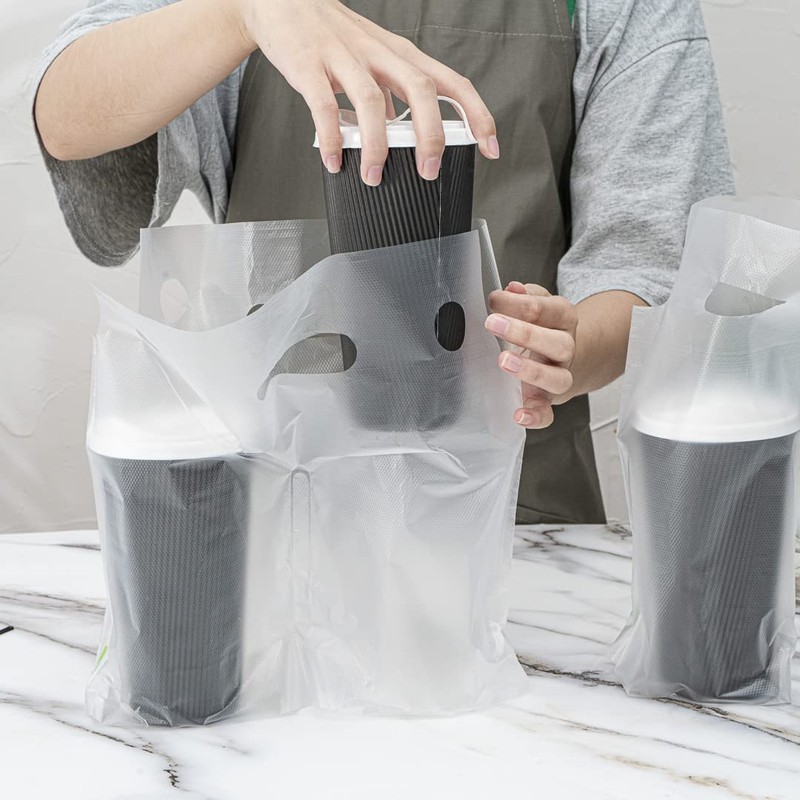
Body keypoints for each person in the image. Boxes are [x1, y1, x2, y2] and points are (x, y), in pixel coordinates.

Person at [32, 0, 734, 524]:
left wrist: (569, 346)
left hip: (512, 518)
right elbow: (68, 118)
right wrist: (246, 13)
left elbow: (645, 267)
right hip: (271, 504)